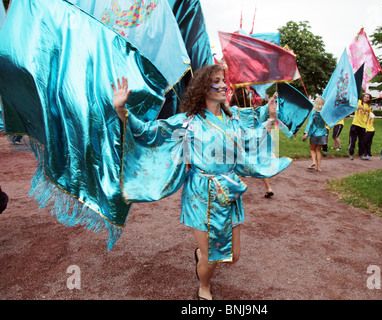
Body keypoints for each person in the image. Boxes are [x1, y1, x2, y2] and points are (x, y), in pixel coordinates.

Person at [111, 65, 291, 300]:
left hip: (229, 192)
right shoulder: (187, 123)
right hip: (200, 195)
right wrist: (121, 109)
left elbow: (252, 130)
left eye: (224, 80)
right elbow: (149, 133)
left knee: (233, 256)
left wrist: (269, 114)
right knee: (212, 256)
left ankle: (200, 253)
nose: (224, 85)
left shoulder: (234, 118)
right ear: (203, 88)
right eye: (217, 81)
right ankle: (203, 286)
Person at [228, 87, 276, 198]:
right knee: (259, 161)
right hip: (253, 140)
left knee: (233, 164)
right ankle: (268, 188)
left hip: (239, 141)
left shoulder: (232, 110)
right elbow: (261, 115)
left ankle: (237, 187)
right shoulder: (251, 110)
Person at [303, 97, 327, 172]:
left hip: (314, 134)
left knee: (312, 149)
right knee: (318, 150)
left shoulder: (313, 112)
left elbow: (309, 123)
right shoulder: (325, 112)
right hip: (323, 133)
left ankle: (313, 162)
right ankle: (318, 167)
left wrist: (306, 132)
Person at [348, 93, 372, 160]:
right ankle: (351, 153)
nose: (366, 98)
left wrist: (366, 123)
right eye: (365, 96)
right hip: (355, 124)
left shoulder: (369, 107)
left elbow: (368, 116)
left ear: (369, 99)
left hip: (362, 126)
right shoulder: (358, 102)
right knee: (352, 140)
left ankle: (361, 154)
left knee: (361, 141)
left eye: (367, 97)